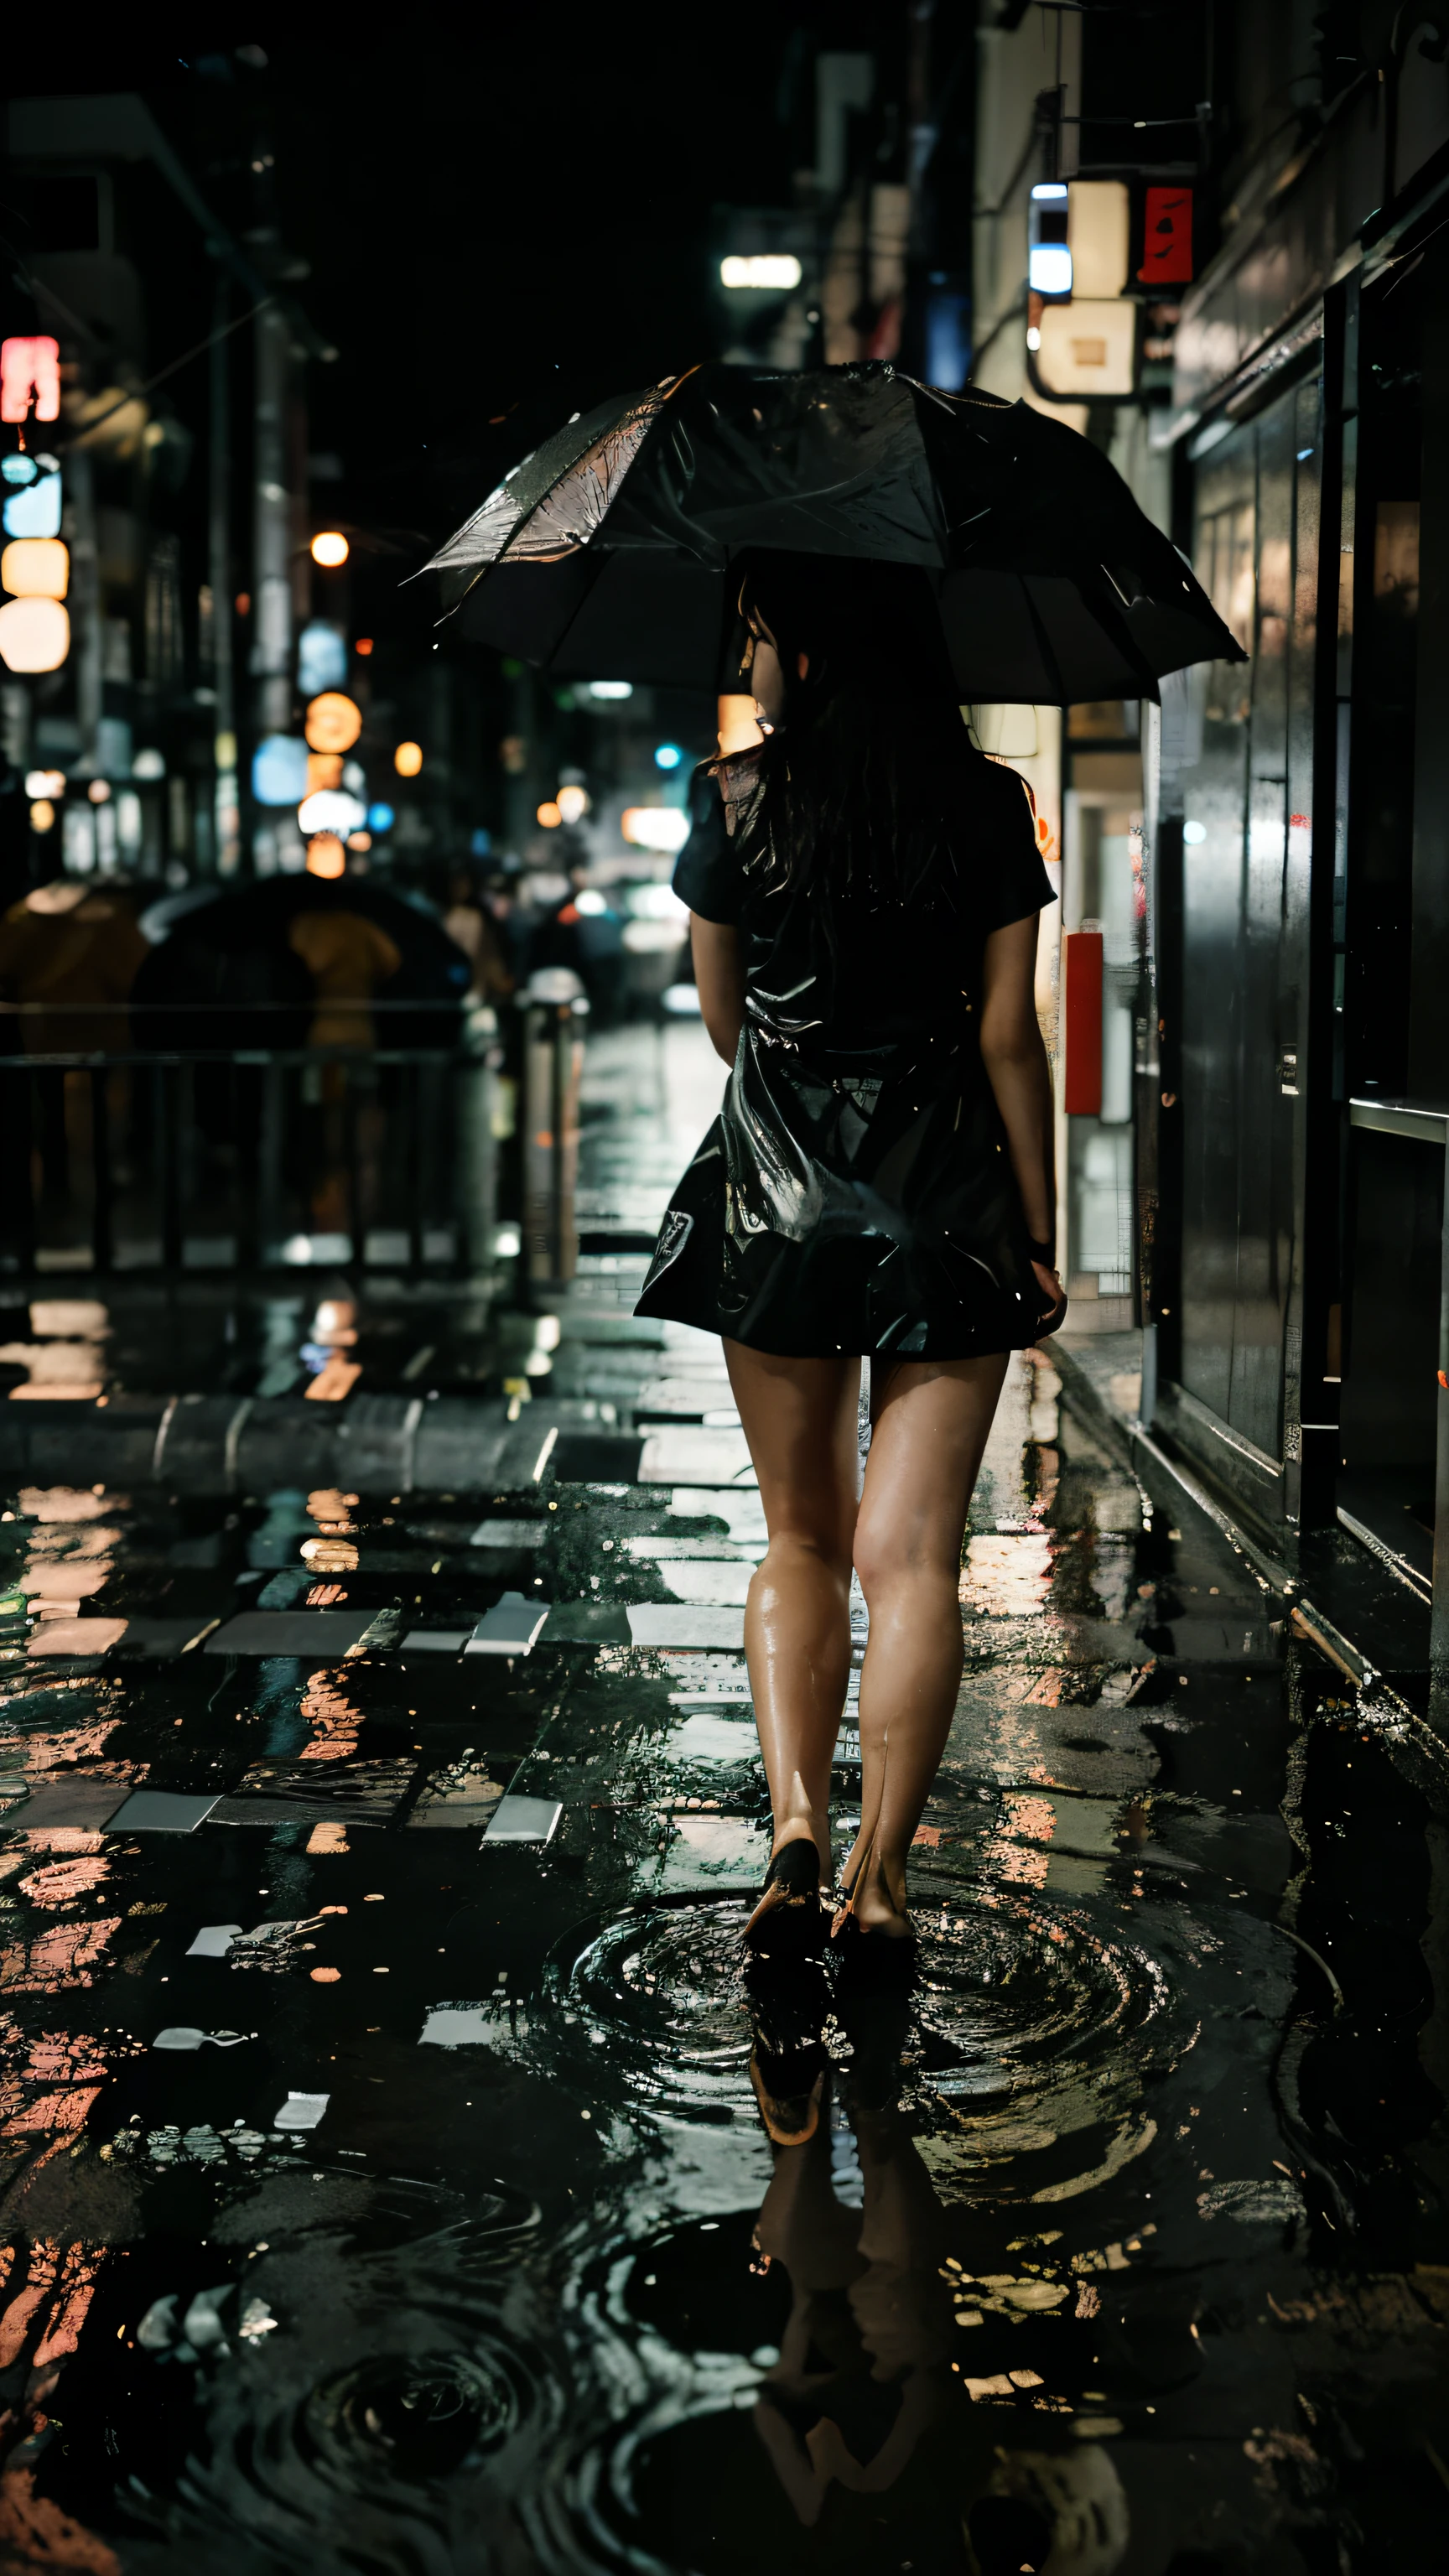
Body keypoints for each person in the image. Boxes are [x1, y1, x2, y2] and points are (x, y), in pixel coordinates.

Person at [636, 555, 1065, 1946]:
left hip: (780, 1201)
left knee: (800, 1539)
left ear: (808, 656)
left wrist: (801, 1112)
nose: (750, 660)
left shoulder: (735, 798)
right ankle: (883, 1880)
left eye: (760, 637)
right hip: (948, 1194)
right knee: (914, 1559)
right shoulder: (986, 802)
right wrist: (1040, 1230)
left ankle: (797, 1832)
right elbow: (1011, 1034)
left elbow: (723, 1017)